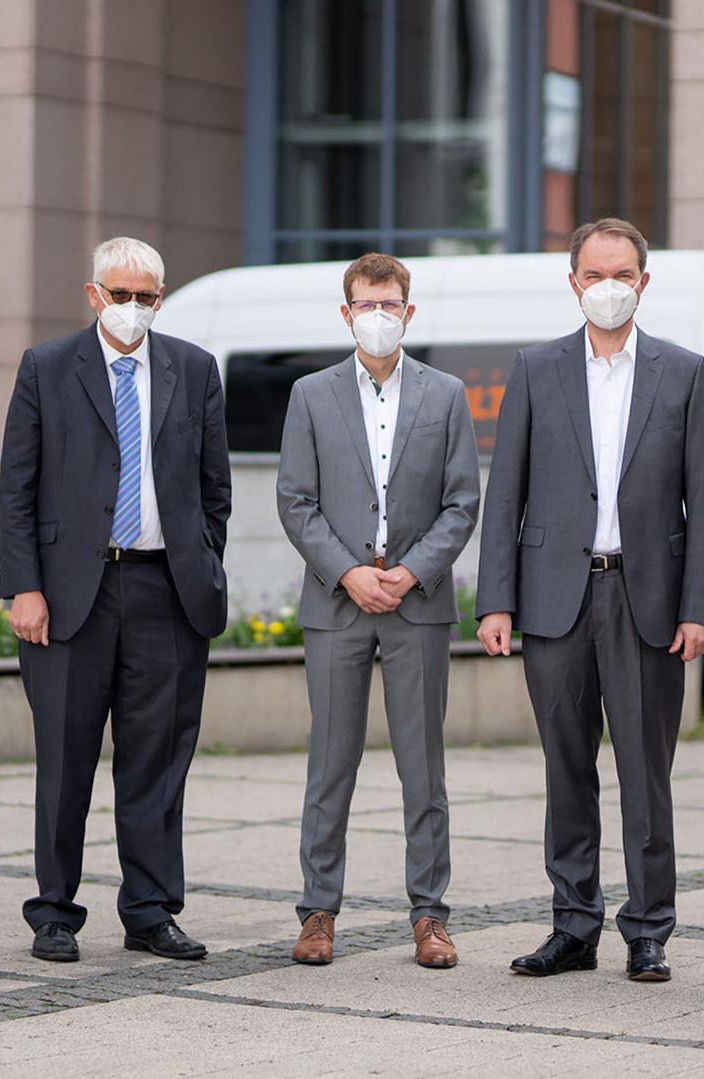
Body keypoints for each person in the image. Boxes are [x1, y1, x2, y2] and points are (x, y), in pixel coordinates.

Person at [476, 217, 704, 983]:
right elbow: (505, 490)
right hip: (555, 599)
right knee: (566, 769)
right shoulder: (534, 367)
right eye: (595, 274)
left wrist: (701, 606)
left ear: (642, 283)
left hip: (647, 597)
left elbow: (701, 502)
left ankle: (647, 929)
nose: (608, 287)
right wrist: (495, 600)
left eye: (623, 275)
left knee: (645, 775)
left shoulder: (680, 371)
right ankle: (572, 924)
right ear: (574, 280)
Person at [0, 236, 231, 964]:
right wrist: (24, 586)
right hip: (71, 595)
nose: (132, 308)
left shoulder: (193, 370)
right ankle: (55, 912)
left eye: (146, 296)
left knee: (156, 761)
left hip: (167, 589)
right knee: (65, 760)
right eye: (120, 294)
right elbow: (17, 490)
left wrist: (200, 560)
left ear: (159, 298)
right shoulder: (46, 367)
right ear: (93, 293)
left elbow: (215, 488)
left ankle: (151, 909)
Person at [276, 253, 481, 970]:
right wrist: (349, 571)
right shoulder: (310, 393)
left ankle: (430, 915)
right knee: (329, 764)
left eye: (389, 304)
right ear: (345, 313)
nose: (378, 316)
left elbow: (463, 501)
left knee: (423, 770)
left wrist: (411, 572)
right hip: (337, 604)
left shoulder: (446, 393)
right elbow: (294, 499)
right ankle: (317, 911)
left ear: (408, 312)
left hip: (416, 607)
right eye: (366, 304)